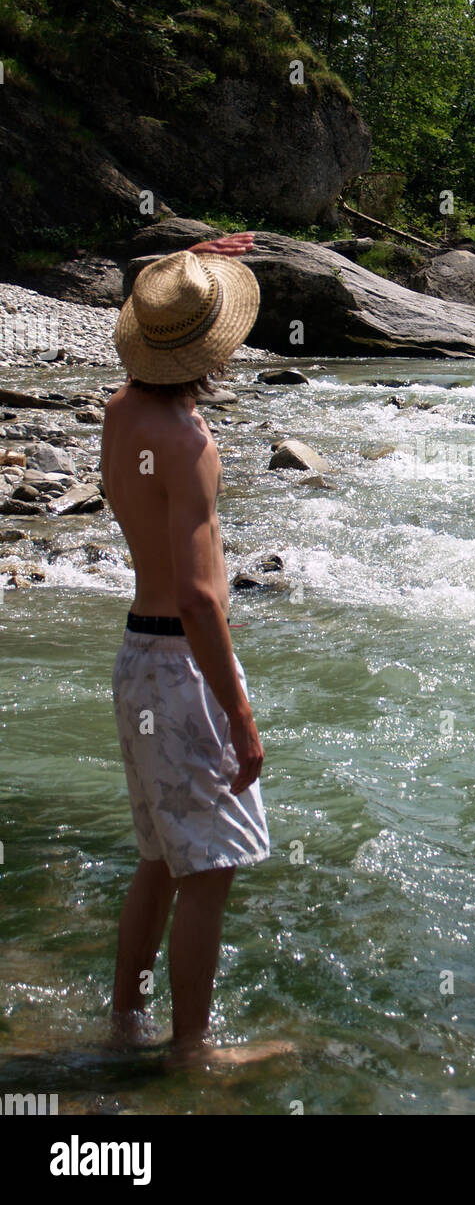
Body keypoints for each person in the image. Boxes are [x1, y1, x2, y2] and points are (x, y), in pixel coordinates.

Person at [101, 231, 270, 1063]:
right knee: (209, 871)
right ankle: (192, 1047)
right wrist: (239, 716)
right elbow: (204, 599)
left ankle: (125, 1019)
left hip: (136, 656)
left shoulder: (121, 412)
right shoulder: (190, 445)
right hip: (182, 667)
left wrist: (184, 265)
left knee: (159, 859)